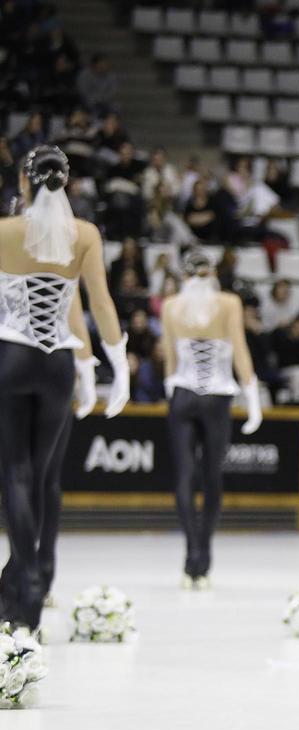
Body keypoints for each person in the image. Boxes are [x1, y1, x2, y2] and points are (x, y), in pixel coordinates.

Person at [0, 144, 130, 630]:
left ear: (24, 183)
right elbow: (101, 302)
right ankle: (26, 580)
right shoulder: (84, 235)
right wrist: (117, 367)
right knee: (39, 475)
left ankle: (25, 580)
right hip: (58, 363)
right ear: (66, 184)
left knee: (14, 473)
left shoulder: (5, 232)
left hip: (10, 357)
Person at [161, 249, 262, 589]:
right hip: (216, 396)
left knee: (186, 475)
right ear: (213, 273)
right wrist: (252, 395)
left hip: (183, 395)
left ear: (185, 275)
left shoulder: (172, 306)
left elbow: (171, 363)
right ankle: (202, 555)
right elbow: (240, 349)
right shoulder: (227, 303)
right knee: (211, 475)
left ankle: (193, 555)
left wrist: (169, 395)